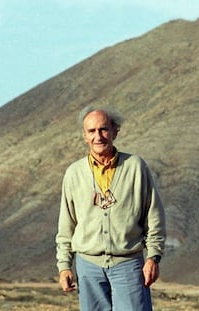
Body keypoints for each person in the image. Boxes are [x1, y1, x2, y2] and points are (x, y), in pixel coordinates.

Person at [55, 106, 166, 311]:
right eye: (92, 131)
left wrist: (153, 257)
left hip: (128, 264)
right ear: (84, 136)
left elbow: (154, 215)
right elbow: (66, 224)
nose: (98, 136)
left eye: (103, 129)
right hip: (88, 266)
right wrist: (64, 266)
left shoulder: (135, 167)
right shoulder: (74, 173)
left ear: (115, 131)